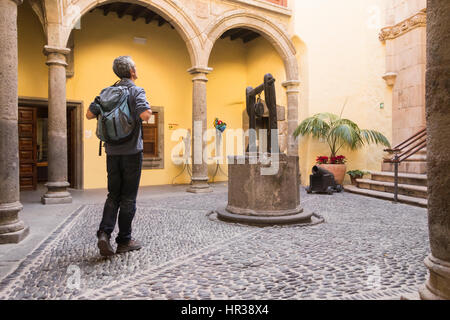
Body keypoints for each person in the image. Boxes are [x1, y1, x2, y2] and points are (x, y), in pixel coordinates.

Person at [86, 56, 152, 257]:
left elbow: (89, 114)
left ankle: (104, 234)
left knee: (113, 195)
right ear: (132, 71)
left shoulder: (106, 92)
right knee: (128, 198)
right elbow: (146, 115)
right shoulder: (136, 90)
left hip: (112, 153)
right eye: (135, 66)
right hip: (132, 153)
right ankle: (124, 240)